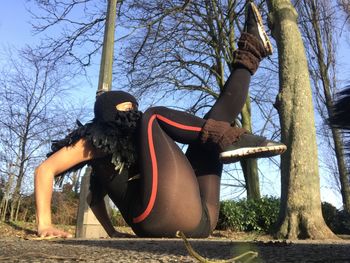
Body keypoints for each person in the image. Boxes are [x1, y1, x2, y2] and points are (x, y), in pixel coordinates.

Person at [34, 2, 286, 238]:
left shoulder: (138, 146)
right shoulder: (97, 137)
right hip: (157, 216)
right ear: (107, 112)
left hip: (201, 219)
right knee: (154, 116)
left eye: (134, 106)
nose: (132, 113)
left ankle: (252, 49)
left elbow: (94, 198)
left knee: (212, 123)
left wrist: (112, 231)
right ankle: (228, 137)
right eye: (125, 107)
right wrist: (45, 223)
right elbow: (45, 170)